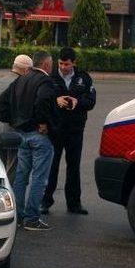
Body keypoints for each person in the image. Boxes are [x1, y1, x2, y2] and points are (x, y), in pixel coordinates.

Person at [6, 51, 58, 231]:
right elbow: (43, 100)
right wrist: (43, 122)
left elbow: (4, 102)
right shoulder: (45, 81)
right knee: (39, 178)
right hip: (39, 135)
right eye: (51, 64)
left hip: (22, 133)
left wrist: (15, 121)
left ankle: (18, 216)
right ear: (46, 65)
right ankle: (32, 218)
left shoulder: (21, 79)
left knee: (21, 176)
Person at [42, 47, 96, 215]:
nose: (63, 67)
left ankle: (74, 204)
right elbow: (42, 98)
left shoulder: (84, 78)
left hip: (75, 129)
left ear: (74, 63)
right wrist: (56, 100)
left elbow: (91, 100)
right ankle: (45, 202)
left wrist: (77, 101)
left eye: (67, 64)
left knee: (74, 167)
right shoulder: (50, 77)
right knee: (52, 166)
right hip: (55, 129)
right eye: (60, 63)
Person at [0, 54, 33, 182]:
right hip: (13, 134)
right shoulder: (22, 84)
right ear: (26, 70)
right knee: (13, 172)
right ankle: (10, 197)